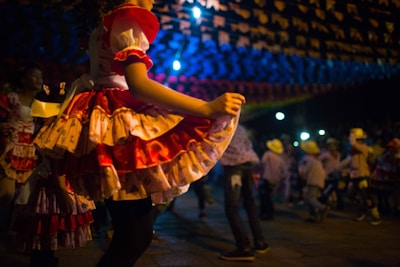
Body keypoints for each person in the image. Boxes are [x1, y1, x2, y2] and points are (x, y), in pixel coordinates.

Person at [33, 1, 246, 266]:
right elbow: (138, 85)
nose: (155, 1)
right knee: (135, 234)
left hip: (103, 117)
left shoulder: (105, 22)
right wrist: (206, 107)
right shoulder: (127, 18)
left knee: (131, 232)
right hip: (117, 119)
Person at [219, 124, 269, 262]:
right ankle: (260, 242)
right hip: (249, 164)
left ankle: (244, 247)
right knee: (250, 204)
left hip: (234, 166)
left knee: (232, 207)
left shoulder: (220, 123)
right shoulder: (239, 126)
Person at [335, 128, 382, 225]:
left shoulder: (363, 147)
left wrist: (352, 136)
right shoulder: (353, 151)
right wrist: (335, 169)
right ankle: (362, 210)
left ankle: (376, 216)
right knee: (351, 195)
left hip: (363, 175)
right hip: (354, 176)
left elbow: (354, 145)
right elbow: (347, 161)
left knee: (366, 196)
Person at [298, 140, 330, 223]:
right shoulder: (316, 159)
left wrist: (300, 171)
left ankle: (323, 208)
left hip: (313, 181)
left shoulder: (307, 159)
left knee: (309, 198)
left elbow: (304, 171)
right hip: (319, 180)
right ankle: (313, 216)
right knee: (310, 198)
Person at [258, 138, 288, 220]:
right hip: (275, 181)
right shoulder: (280, 159)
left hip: (266, 178)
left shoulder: (268, 154)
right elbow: (284, 172)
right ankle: (270, 213)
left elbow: (262, 162)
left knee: (264, 197)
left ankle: (264, 213)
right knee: (270, 197)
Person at [318, 138, 344, 209]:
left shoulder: (338, 154)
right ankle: (325, 204)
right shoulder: (326, 154)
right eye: (330, 145)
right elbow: (318, 160)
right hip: (327, 175)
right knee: (328, 190)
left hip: (335, 175)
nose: (332, 146)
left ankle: (328, 204)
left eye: (333, 145)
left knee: (335, 190)